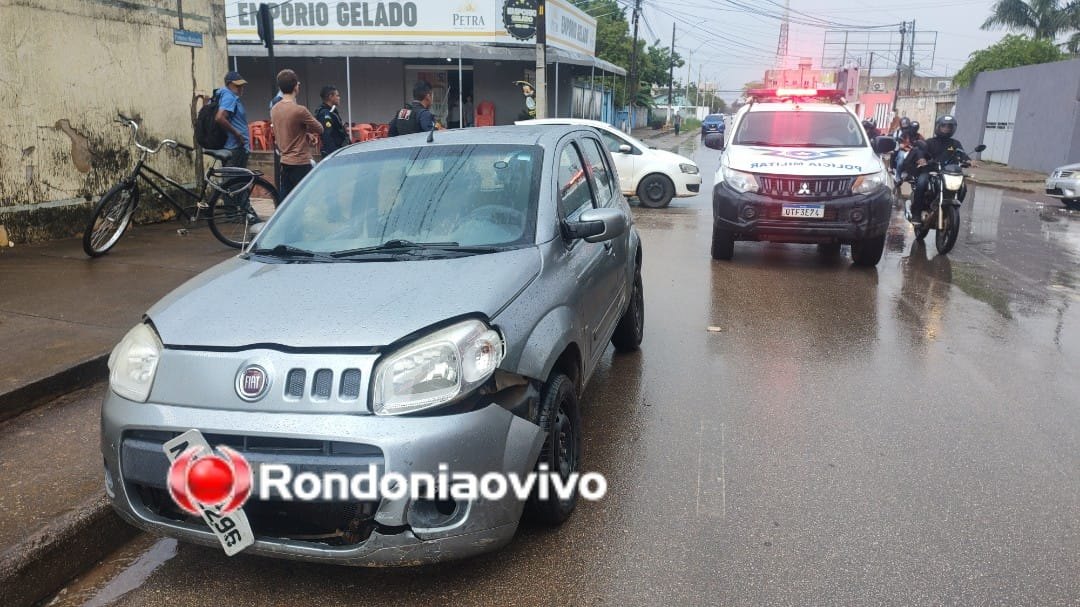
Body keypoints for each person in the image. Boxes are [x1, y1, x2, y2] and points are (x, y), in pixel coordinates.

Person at [903, 114, 972, 225]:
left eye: (949, 127)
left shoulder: (955, 143)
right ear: (938, 127)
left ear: (952, 129)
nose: (946, 129)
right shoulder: (930, 142)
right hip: (930, 171)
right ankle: (916, 213)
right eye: (944, 126)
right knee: (921, 183)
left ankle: (952, 209)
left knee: (963, 186)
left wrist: (968, 161)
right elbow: (921, 150)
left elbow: (962, 154)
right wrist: (921, 158)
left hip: (948, 173)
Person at [269, 69, 324, 200]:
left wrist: (304, 133)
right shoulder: (299, 110)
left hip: (285, 161)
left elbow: (288, 129)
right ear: (296, 86)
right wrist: (307, 129)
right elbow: (320, 128)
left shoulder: (275, 109)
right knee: (303, 200)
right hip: (300, 161)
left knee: (286, 200)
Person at [215, 71, 250, 168]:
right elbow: (219, 117)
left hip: (232, 147)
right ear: (229, 84)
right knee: (234, 181)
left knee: (234, 180)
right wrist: (237, 134)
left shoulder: (222, 94)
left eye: (242, 85)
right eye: (238, 86)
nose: (241, 88)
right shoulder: (229, 97)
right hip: (235, 147)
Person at [314, 85, 349, 157]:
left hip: (339, 150)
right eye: (337, 95)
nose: (339, 98)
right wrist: (334, 154)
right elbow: (327, 136)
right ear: (330, 97)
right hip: (334, 153)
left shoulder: (332, 111)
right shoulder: (325, 114)